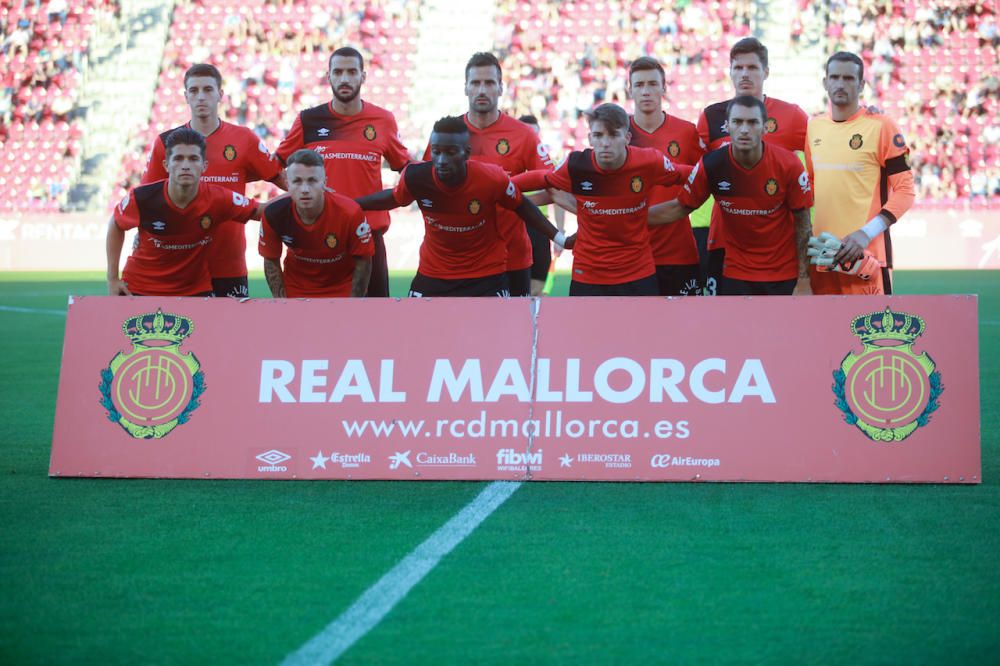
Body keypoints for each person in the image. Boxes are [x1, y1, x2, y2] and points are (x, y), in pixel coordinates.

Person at [357, 116, 567, 298]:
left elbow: (522, 205)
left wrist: (559, 238)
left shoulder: (491, 178)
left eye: (450, 152)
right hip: (434, 274)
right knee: (417, 331)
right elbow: (393, 198)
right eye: (437, 151)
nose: (442, 160)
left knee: (496, 332)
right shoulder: (415, 176)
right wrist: (354, 204)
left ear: (467, 153)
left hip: (486, 276)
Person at [514, 103, 689, 297]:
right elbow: (542, 179)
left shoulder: (649, 161)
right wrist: (501, 184)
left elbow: (692, 175)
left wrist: (711, 174)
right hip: (588, 275)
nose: (605, 143)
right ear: (590, 138)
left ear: (627, 138)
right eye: (598, 135)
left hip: (637, 273)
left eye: (613, 135)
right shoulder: (576, 165)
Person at [277, 46, 411, 298]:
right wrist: (298, 192)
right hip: (318, 239)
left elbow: (407, 168)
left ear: (363, 76)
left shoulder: (383, 120)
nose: (345, 78)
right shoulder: (309, 120)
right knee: (316, 318)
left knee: (375, 318)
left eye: (351, 72)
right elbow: (276, 164)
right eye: (338, 72)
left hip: (368, 236)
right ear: (328, 76)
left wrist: (393, 198)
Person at [141, 63, 284, 298]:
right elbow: (146, 202)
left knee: (229, 324)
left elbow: (278, 176)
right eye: (194, 90)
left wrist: (318, 195)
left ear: (220, 94)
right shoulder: (166, 142)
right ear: (185, 96)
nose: (201, 96)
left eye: (208, 89)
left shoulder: (244, 139)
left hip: (228, 264)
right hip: (179, 265)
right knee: (180, 324)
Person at [649, 97, 813, 296]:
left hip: (782, 274)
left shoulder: (789, 165)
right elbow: (678, 208)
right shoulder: (712, 165)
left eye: (752, 122)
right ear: (727, 127)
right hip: (736, 273)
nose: (744, 129)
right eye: (737, 122)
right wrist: (628, 217)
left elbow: (803, 223)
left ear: (765, 128)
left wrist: (804, 279)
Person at [695, 38, 809, 295]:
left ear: (766, 72)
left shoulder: (792, 116)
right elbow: (692, 169)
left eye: (752, 67)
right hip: (725, 243)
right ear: (730, 72)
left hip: (776, 249)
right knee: (725, 317)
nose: (744, 74)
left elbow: (826, 143)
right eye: (738, 67)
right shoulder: (711, 116)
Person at [440, 52, 554, 297]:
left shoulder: (523, 134)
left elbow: (553, 184)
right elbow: (426, 186)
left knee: (514, 323)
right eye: (475, 83)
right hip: (460, 259)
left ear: (501, 88)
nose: (482, 90)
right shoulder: (447, 134)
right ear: (465, 88)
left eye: (490, 83)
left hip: (511, 259)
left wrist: (514, 201)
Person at [806, 51, 914, 295]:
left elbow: (905, 191)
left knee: (872, 323)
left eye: (848, 78)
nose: (840, 84)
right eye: (834, 77)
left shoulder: (882, 126)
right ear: (825, 83)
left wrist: (866, 234)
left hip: (866, 259)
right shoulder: (814, 127)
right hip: (822, 258)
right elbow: (810, 187)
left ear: (861, 85)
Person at [107, 128, 261, 297]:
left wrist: (288, 199)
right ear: (166, 165)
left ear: (204, 166)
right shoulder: (142, 197)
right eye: (178, 159)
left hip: (193, 291)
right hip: (140, 288)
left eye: (193, 159)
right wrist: (112, 278)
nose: (186, 166)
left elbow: (261, 211)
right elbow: (116, 224)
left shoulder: (218, 198)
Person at [627, 56, 705, 296]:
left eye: (652, 84)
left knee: (684, 321)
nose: (646, 91)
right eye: (639, 85)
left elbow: (705, 179)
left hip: (678, 254)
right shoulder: (618, 134)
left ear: (663, 88)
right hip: (630, 255)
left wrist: (685, 205)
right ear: (630, 90)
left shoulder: (686, 132)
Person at [258, 149, 373, 298]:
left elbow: (363, 260)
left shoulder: (350, 212)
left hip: (341, 288)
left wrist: (354, 302)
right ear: (287, 183)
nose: (305, 189)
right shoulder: (273, 214)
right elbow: (271, 260)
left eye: (312, 181)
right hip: (295, 289)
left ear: (324, 183)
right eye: (297, 181)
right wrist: (282, 302)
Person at [517, 114, 565, 296]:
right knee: (514, 288)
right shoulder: (507, 163)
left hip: (538, 226)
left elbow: (558, 198)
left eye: (534, 134)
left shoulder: (548, 165)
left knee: (537, 288)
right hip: (514, 225)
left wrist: (560, 232)